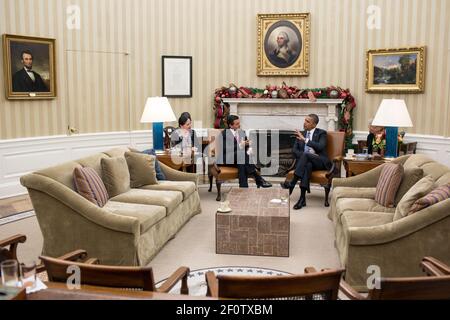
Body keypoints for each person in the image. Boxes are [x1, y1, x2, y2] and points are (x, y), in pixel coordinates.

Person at [280, 114, 331, 210]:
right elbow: (294, 151)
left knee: (306, 156)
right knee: (307, 164)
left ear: (314, 124)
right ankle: (302, 199)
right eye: (305, 120)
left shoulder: (321, 133)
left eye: (308, 121)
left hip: (320, 162)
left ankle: (292, 182)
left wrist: (305, 140)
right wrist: (306, 157)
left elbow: (320, 147)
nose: (305, 123)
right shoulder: (301, 133)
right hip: (308, 163)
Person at [215, 115, 272, 188]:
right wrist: (240, 145)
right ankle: (258, 177)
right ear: (230, 125)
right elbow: (225, 149)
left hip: (239, 159)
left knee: (241, 162)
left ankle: (243, 187)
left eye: (239, 123)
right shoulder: (224, 134)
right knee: (241, 155)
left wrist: (248, 147)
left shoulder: (242, 132)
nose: (239, 125)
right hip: (226, 159)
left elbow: (245, 147)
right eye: (237, 124)